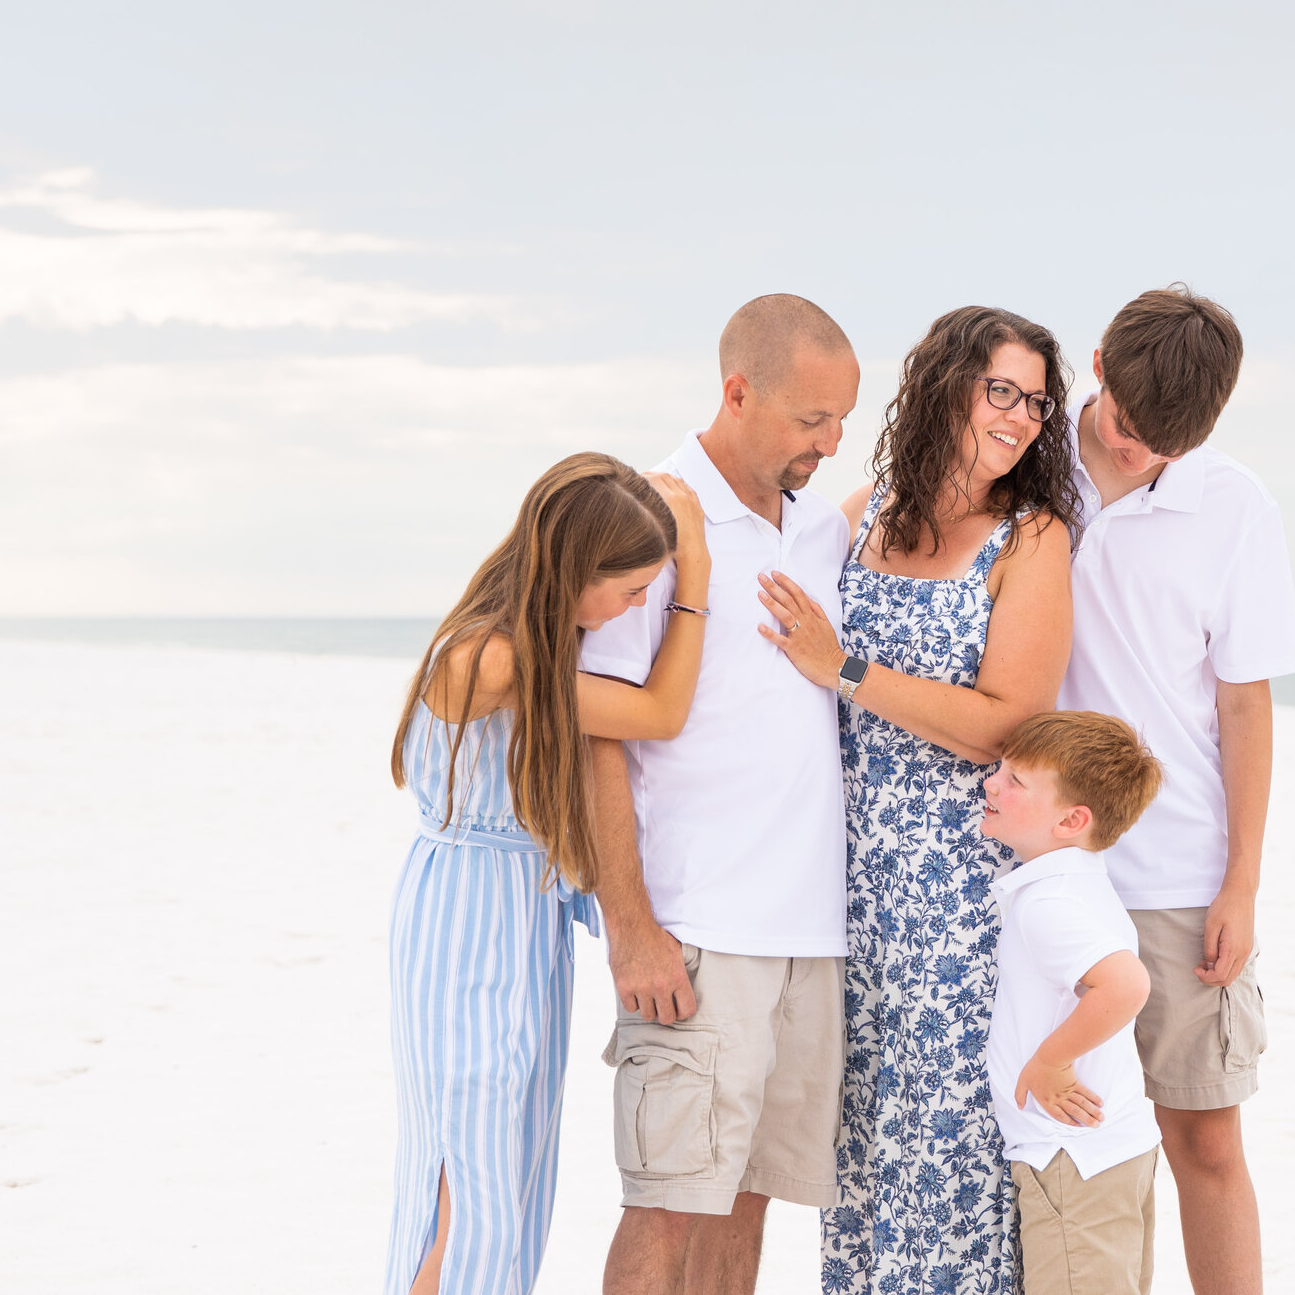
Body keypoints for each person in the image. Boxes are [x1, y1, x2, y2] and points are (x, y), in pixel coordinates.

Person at [754, 304, 1078, 1295]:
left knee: (945, 1165)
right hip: (844, 890)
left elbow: (1005, 720)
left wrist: (842, 666)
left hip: (955, 901)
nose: (1021, 418)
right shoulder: (861, 511)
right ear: (946, 384)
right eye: (1002, 391)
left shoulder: (1031, 537)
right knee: (855, 1170)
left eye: (1036, 400)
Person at [578, 295, 862, 1295]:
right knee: (664, 1207)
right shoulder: (650, 513)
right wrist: (630, 925)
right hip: (697, 932)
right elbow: (594, 735)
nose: (828, 443)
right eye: (808, 419)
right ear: (736, 391)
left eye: (841, 421)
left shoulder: (821, 527)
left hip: (808, 937)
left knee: (747, 1204)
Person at [385, 452, 711, 1295]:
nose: (633, 609)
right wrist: (695, 576)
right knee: (470, 1171)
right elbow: (660, 714)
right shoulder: (490, 659)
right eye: (630, 590)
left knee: (505, 1172)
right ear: (576, 569)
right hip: (468, 925)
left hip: (519, 924)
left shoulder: (532, 648)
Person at [1058, 286, 1295, 1295]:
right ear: (1098, 363)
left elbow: (1243, 705)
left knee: (1201, 1135)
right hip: (1035, 862)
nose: (1130, 453)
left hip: (1175, 873)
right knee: (1057, 1145)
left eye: (1159, 445)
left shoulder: (1234, 504)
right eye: (1121, 426)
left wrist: (1240, 881)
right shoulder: (1021, 466)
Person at [981, 711, 1166, 1295]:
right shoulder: (1082, 882)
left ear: (1071, 820)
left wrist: (1051, 1062)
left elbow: (1127, 985)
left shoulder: (1050, 903)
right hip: (1114, 1149)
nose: (991, 783)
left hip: (1072, 1156)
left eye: (1015, 781)